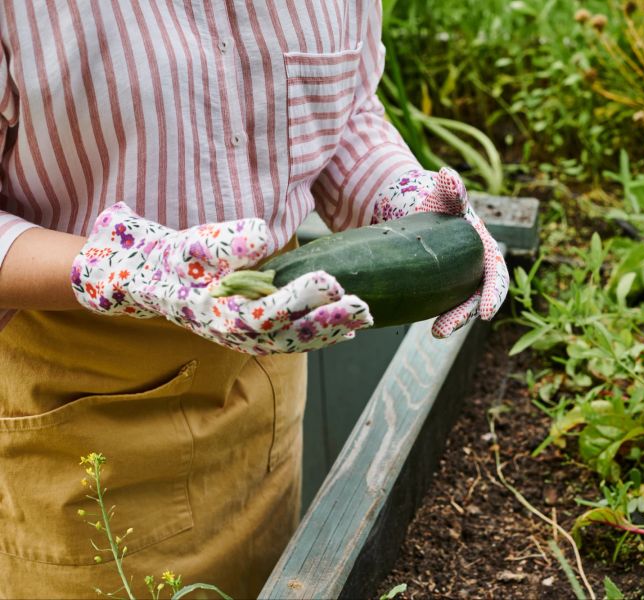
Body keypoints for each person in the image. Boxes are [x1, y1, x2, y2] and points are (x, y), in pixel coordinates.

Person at [0, 2, 508, 598]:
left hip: (266, 358)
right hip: (83, 407)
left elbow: (343, 114)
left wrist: (398, 194)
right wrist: (126, 269)